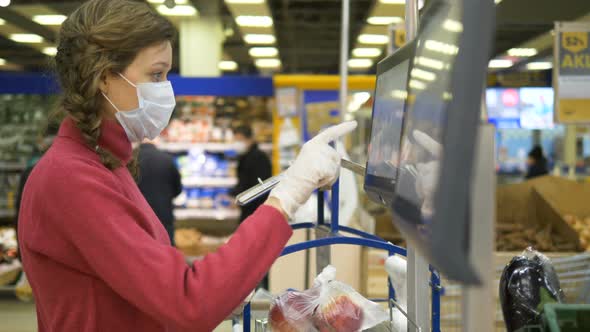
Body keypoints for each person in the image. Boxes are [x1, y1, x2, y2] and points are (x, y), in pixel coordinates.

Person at [17, 1, 357, 331]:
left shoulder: (107, 164)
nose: (166, 89)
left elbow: (146, 288)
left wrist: (223, 286)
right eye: (156, 74)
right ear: (104, 77)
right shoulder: (71, 178)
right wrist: (287, 195)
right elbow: (188, 303)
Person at [137, 139, 182, 246]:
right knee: (166, 252)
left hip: (139, 218)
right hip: (163, 216)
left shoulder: (130, 159)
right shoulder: (167, 159)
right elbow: (178, 189)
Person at [231, 125, 273, 223]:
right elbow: (243, 181)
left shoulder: (259, 158)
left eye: (240, 140)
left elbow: (259, 187)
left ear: (250, 139)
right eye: (235, 140)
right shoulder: (244, 156)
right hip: (248, 209)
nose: (237, 143)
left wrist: (240, 200)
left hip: (256, 209)